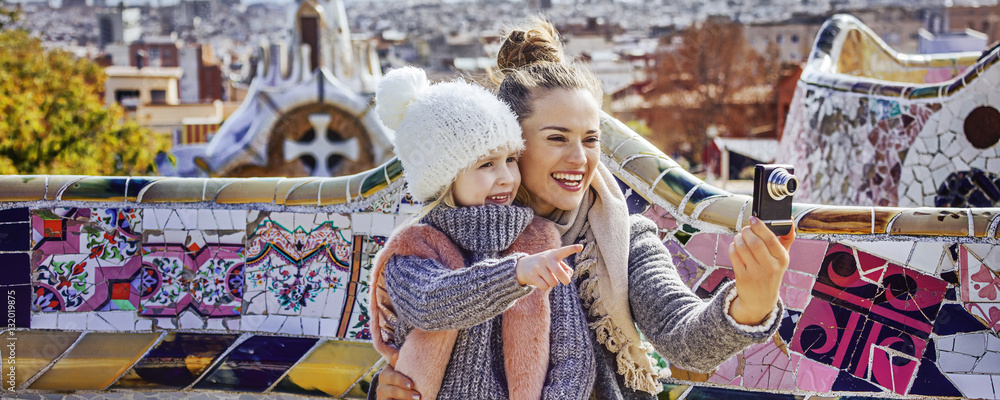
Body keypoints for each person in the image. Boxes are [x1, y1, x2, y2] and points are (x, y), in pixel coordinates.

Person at [373, 20, 795, 400]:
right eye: (557, 138)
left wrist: (750, 304)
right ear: (511, 144)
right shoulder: (445, 238)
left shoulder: (624, 240)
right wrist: (390, 387)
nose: (580, 159)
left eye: (590, 140)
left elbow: (683, 338)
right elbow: (418, 321)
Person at [368, 66, 596, 400]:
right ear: (444, 177)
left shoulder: (539, 241)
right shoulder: (414, 248)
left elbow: (574, 355)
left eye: (511, 159)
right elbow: (432, 303)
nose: (506, 178)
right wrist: (515, 274)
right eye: (486, 164)